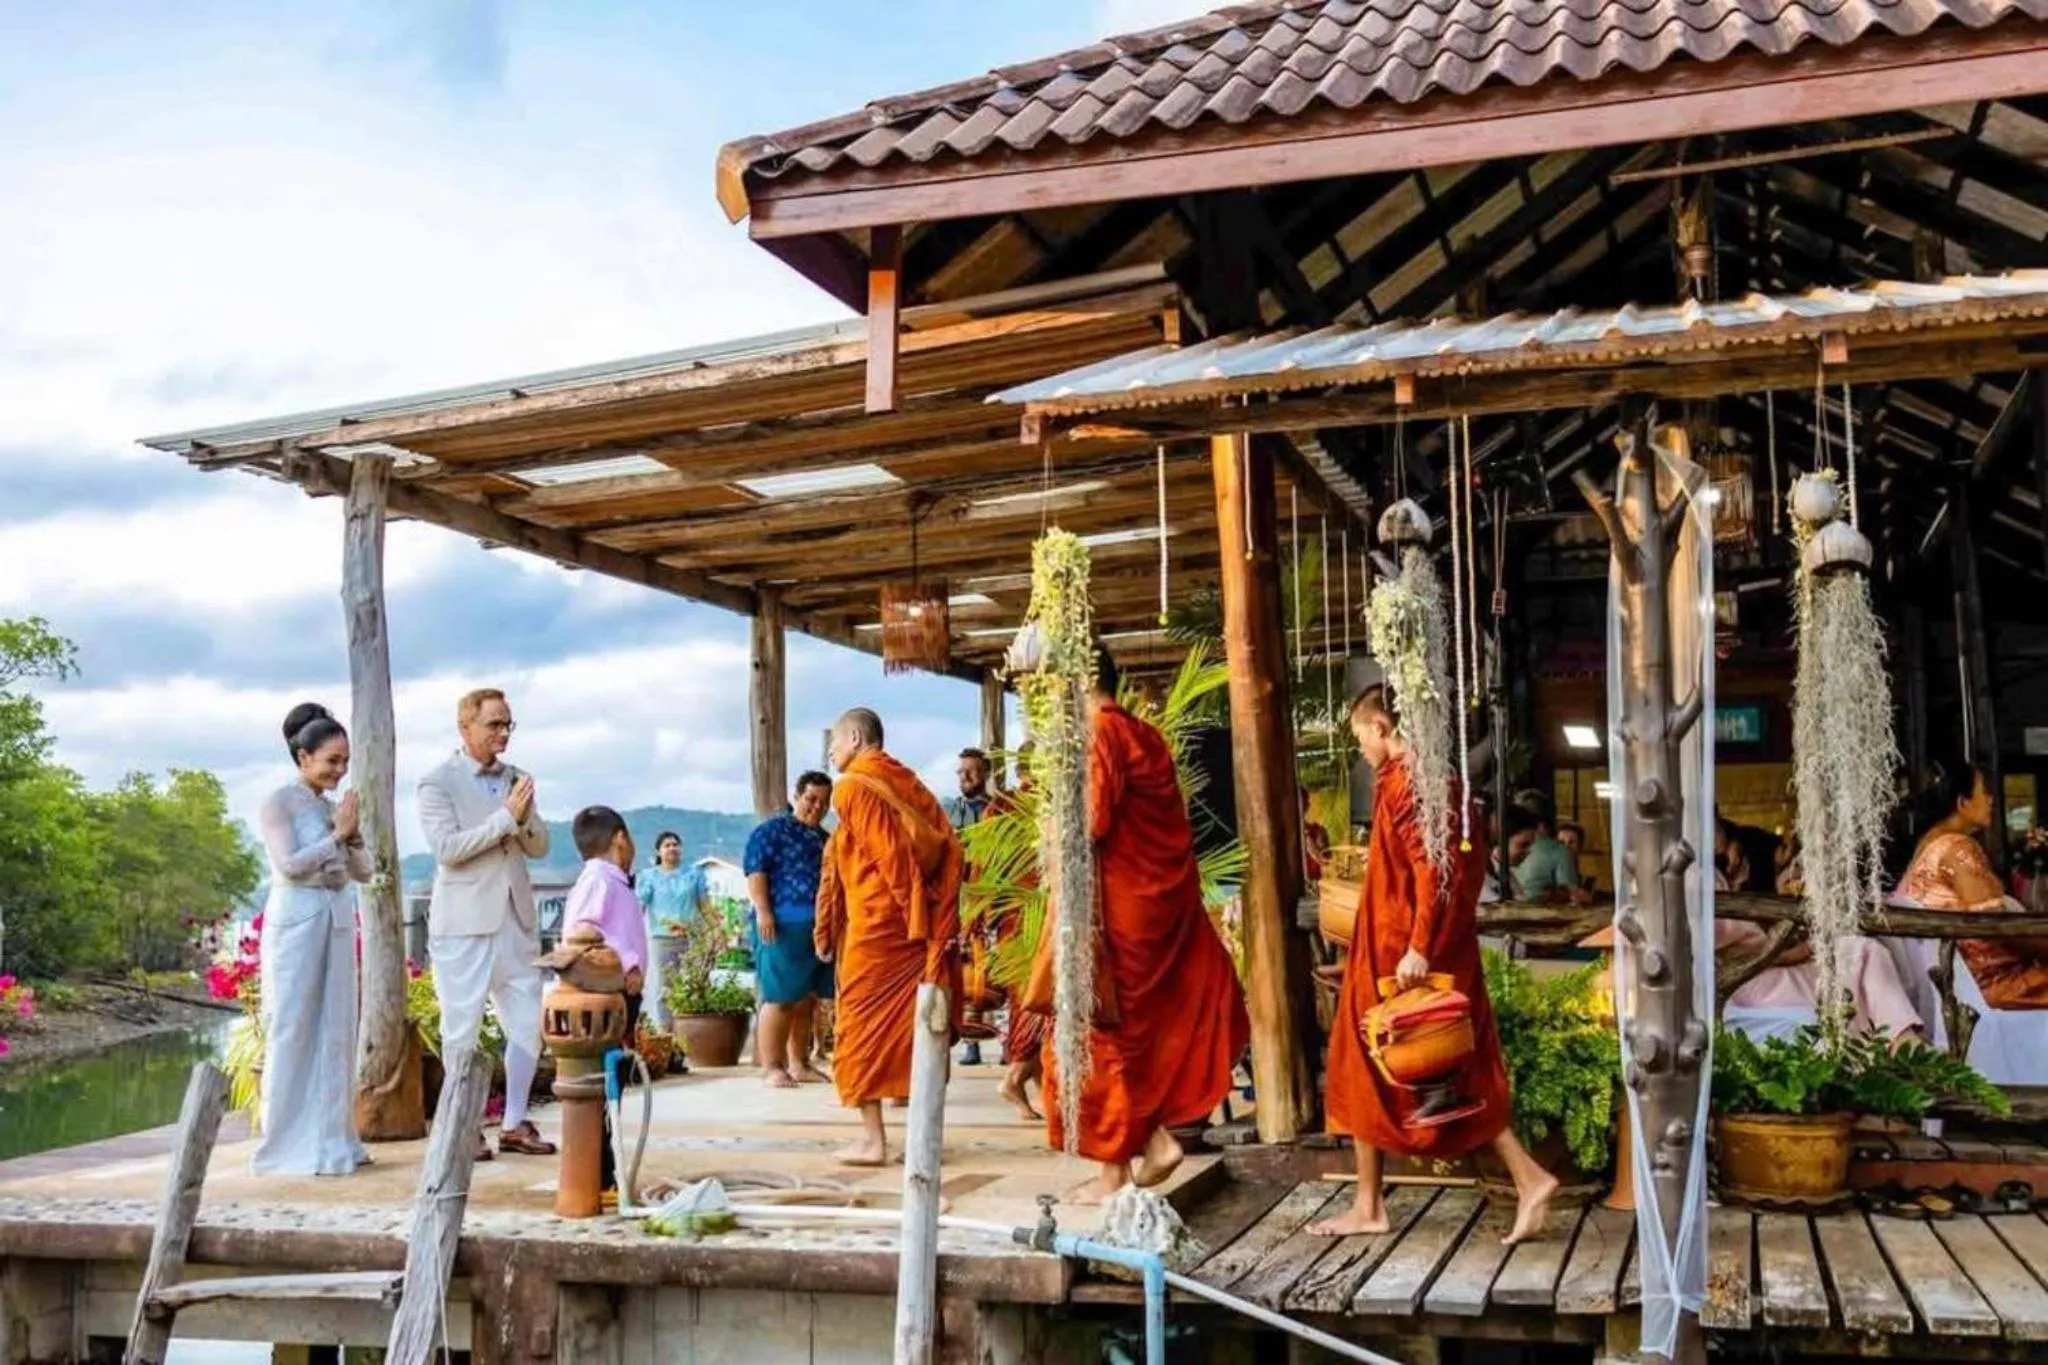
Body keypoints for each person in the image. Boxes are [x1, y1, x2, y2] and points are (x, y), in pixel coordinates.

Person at [1313, 686, 1557, 1245]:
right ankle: (1519, 1178)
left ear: (1380, 727)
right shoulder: (1440, 783)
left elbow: (1434, 870)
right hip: (1410, 943)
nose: (1362, 751)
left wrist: (1419, 946)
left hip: (1405, 952)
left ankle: (1376, 1204)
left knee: (1389, 1061)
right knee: (1442, 1068)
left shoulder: (1409, 784)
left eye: (1360, 739)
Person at [1034, 648, 1250, 1204]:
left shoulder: (1102, 734)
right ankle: (1146, 1145)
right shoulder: (1145, 735)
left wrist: (1055, 828)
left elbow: (1091, 822)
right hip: (1155, 906)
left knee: (1101, 1030)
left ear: (1081, 680)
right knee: (1133, 1032)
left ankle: (1123, 1168)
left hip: (1118, 914)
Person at [812, 708, 963, 1166]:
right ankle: (922, 1136)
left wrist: (915, 922)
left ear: (855, 738)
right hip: (907, 922)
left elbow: (892, 858)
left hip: (883, 927)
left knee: (858, 1028)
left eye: (833, 744)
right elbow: (946, 841)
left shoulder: (854, 785)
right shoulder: (906, 780)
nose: (831, 753)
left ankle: (873, 1140)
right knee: (916, 1030)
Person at [419, 688, 555, 1161]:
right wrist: (504, 818)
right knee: (462, 1026)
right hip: (464, 920)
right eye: (494, 724)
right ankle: (462, 1125)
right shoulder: (436, 782)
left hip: (515, 916)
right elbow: (448, 850)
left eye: (508, 725)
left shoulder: (517, 778)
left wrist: (526, 817)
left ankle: (515, 1121)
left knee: (525, 1023)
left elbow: (539, 848)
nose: (503, 733)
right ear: (466, 727)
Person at [252, 703, 371, 1176]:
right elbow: (290, 864)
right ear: (303, 757)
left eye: (345, 761)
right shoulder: (278, 802)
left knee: (338, 1027)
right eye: (332, 761)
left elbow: (363, 871)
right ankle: (285, 1142)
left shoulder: (331, 807)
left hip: (337, 914)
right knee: (293, 1024)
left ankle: (334, 1138)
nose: (340, 770)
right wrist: (335, 837)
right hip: (297, 916)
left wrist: (353, 837)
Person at [1898, 760, 2048, 1010]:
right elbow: (1998, 925)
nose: (1991, 800)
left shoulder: (1928, 846)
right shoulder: (1957, 849)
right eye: (1984, 792)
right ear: (1962, 802)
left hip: (1966, 979)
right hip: (1994, 982)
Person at [559, 805, 647, 1195]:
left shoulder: (616, 881)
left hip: (623, 996)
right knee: (600, 1084)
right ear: (620, 839)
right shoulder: (599, 880)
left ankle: (606, 1171)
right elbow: (582, 931)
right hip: (607, 996)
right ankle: (597, 1172)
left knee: (613, 1084)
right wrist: (625, 963)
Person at [744, 771, 834, 1088]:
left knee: (807, 998)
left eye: (824, 802)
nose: (816, 807)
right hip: (780, 923)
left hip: (817, 927)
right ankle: (772, 1066)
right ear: (797, 797)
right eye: (811, 799)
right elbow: (756, 872)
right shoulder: (771, 831)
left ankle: (800, 1063)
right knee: (780, 996)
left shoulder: (825, 839)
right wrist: (764, 911)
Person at [636, 831, 708, 1031]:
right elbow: (639, 907)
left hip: (693, 938)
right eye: (667, 845)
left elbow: (705, 906)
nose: (672, 848)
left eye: (675, 844)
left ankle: (691, 1032)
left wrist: (715, 931)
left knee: (695, 985)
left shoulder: (694, 875)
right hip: (663, 939)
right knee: (665, 988)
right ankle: (667, 1033)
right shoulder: (649, 877)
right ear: (658, 851)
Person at [1506, 807, 1587, 904]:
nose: (1528, 852)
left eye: (1572, 842)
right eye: (1561, 842)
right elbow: (1573, 899)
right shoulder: (1560, 852)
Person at [945, 748, 995, 830]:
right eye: (961, 771)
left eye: (971, 771)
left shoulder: (1000, 810)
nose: (964, 776)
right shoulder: (949, 810)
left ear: (987, 774)